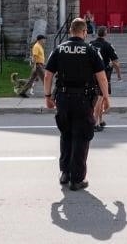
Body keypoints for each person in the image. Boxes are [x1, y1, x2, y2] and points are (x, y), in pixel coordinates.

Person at [43, 18, 110, 191]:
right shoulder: (90, 50)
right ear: (84, 31)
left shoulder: (59, 49)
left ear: (71, 30)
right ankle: (77, 179)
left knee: (66, 134)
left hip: (63, 99)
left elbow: (48, 75)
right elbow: (102, 77)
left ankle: (65, 173)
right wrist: (106, 97)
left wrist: (47, 96)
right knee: (81, 137)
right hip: (83, 100)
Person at [89, 26, 122, 132]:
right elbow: (116, 62)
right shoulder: (108, 45)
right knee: (100, 97)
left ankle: (101, 119)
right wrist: (119, 75)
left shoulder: (90, 44)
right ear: (106, 33)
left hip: (91, 73)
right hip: (103, 74)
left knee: (99, 98)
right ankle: (95, 122)